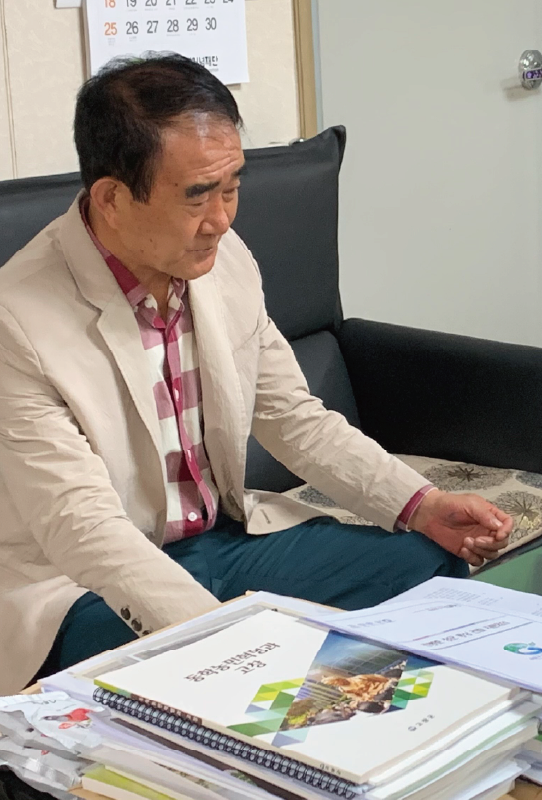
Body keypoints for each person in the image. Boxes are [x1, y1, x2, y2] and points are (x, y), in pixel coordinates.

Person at [0, 54, 514, 695]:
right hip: (81, 587)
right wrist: (226, 641)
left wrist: (423, 504)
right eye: (197, 194)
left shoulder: (223, 259)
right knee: (191, 678)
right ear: (112, 198)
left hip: (222, 542)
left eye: (232, 187)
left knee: (426, 563)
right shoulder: (16, 319)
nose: (222, 218)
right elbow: (82, 527)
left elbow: (294, 419)